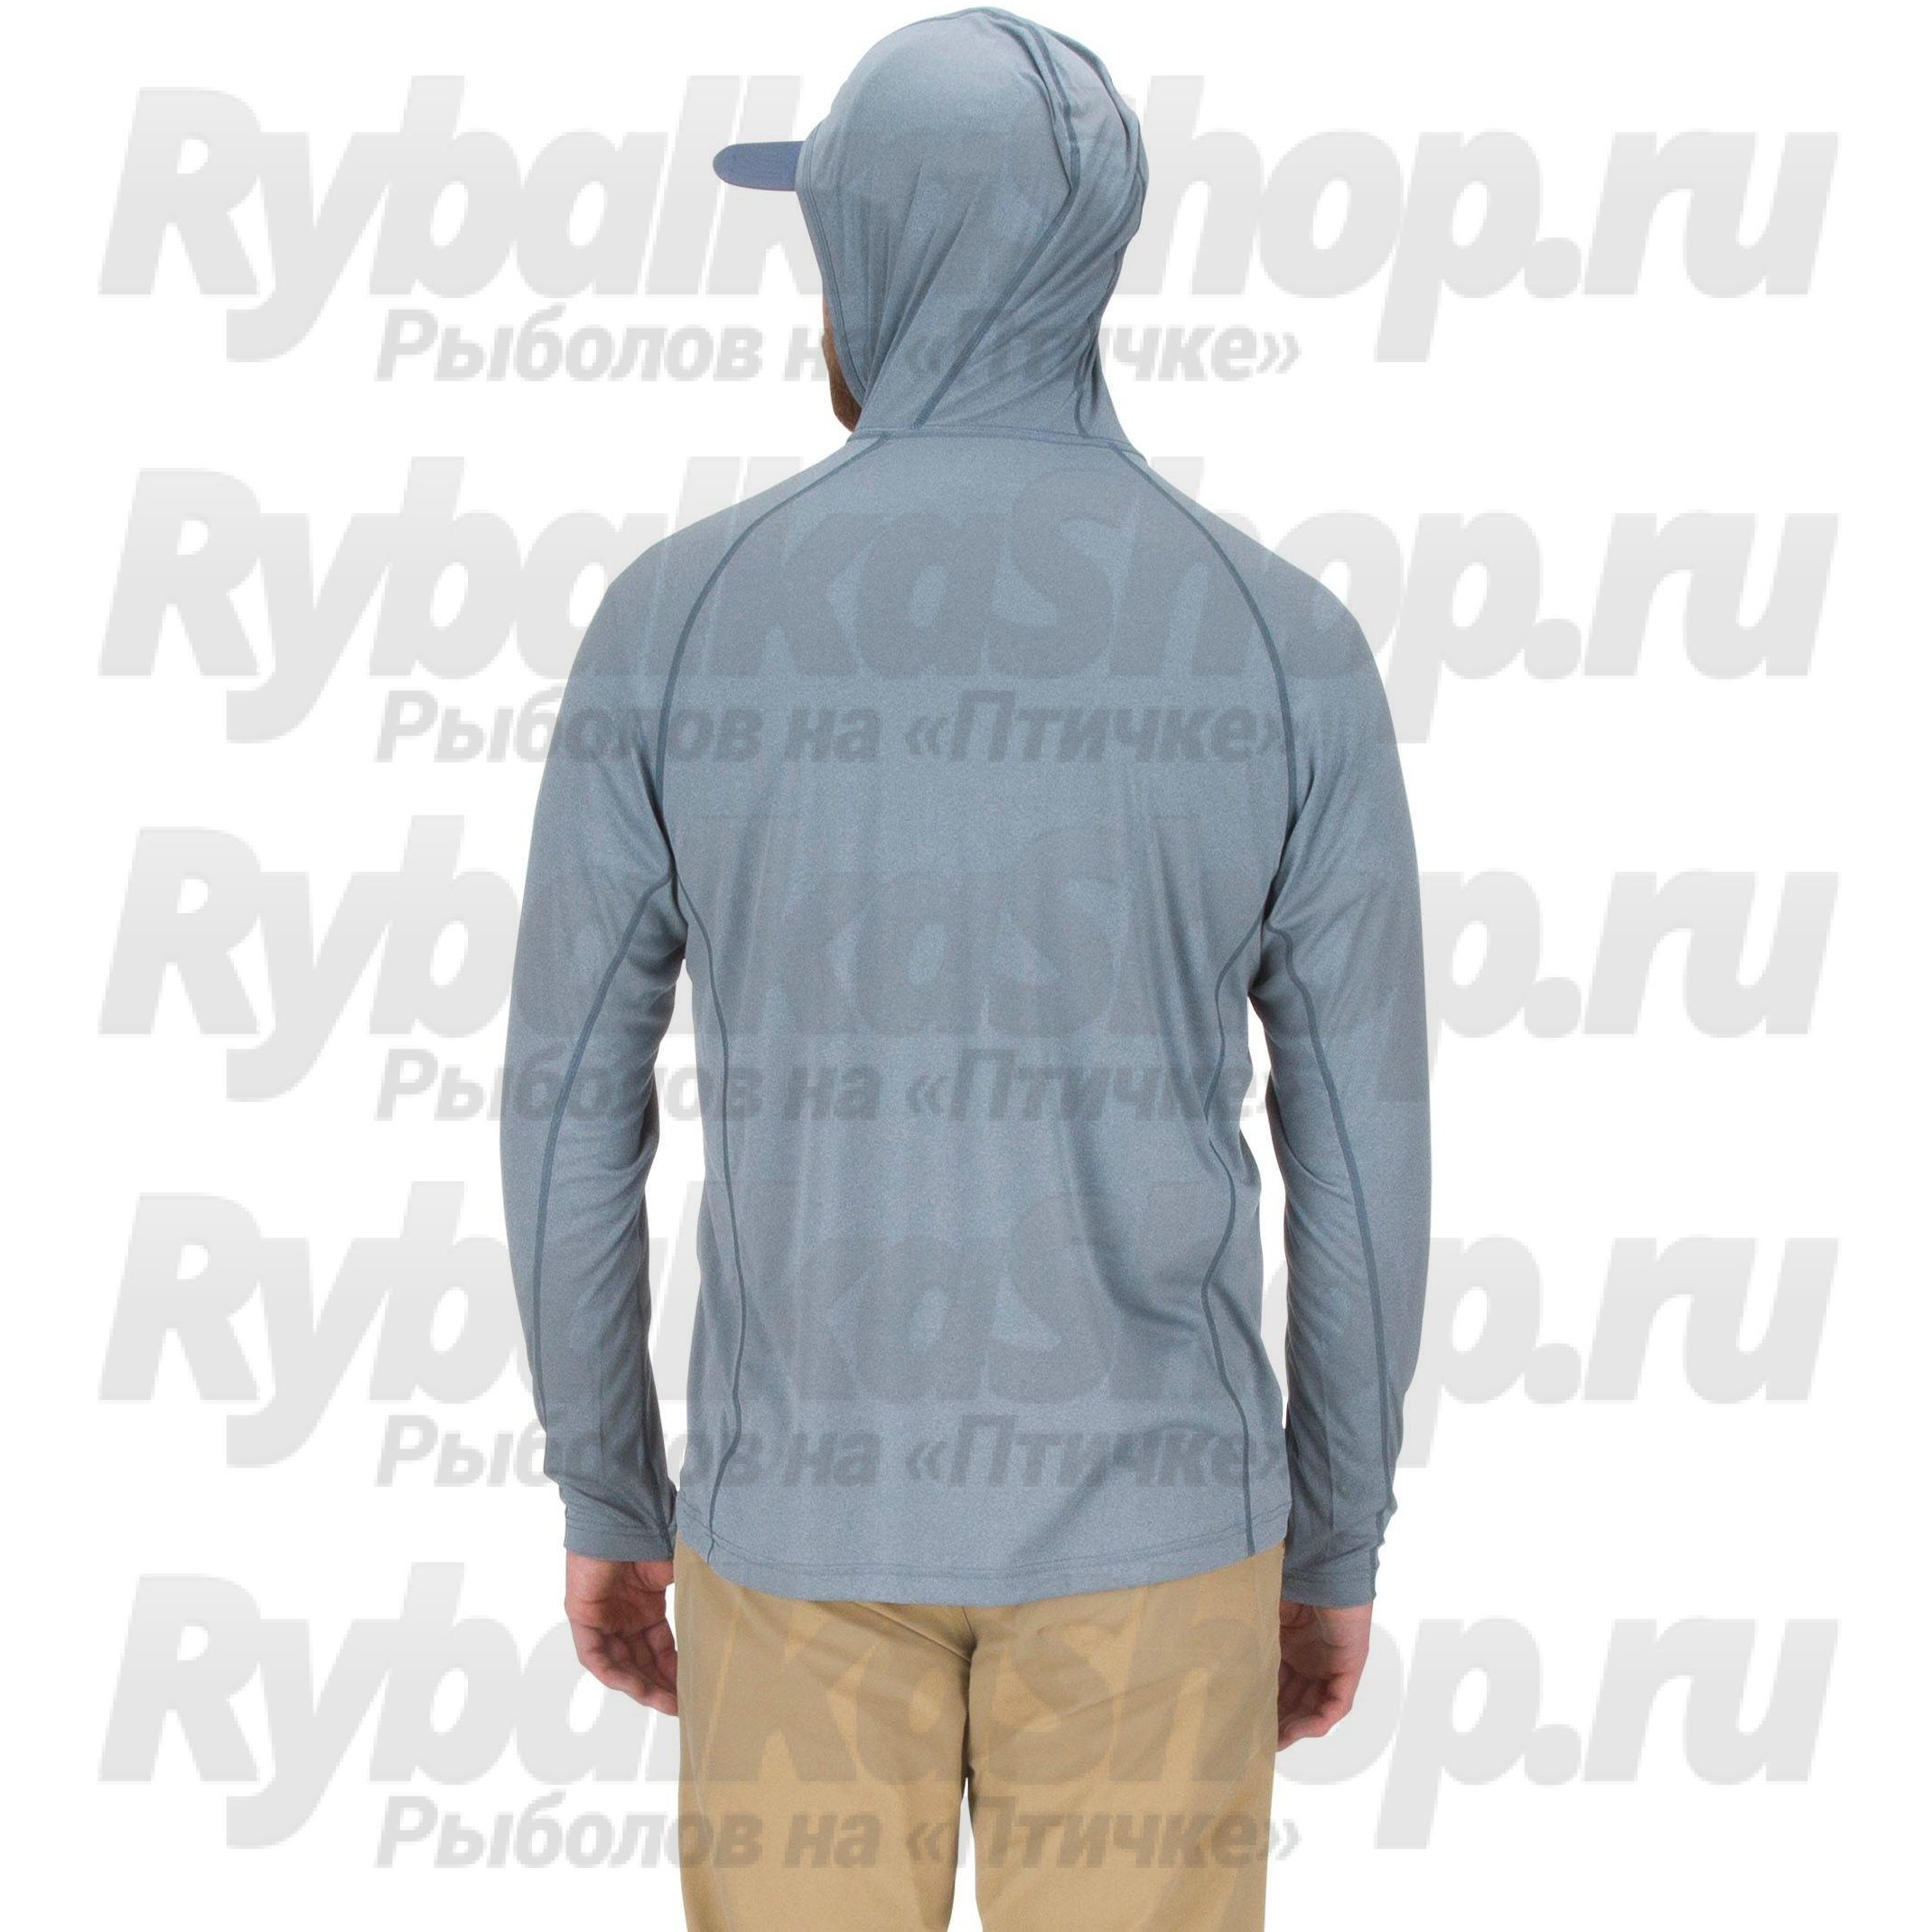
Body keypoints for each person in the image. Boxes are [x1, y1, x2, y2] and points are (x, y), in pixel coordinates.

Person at [499, 9, 1431, 1927]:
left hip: (792, 1543)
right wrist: (1332, 1534)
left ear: (875, 247)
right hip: (1162, 1553)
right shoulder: (1283, 641)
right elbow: (1358, 1151)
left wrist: (610, 1490)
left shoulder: (675, 622)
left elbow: (570, 1113)